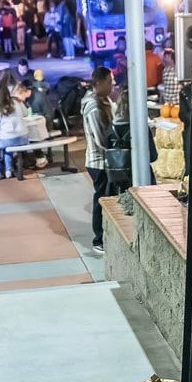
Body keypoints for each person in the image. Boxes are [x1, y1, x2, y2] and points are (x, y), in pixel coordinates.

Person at [81, 66, 115, 254]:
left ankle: (106, 237)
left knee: (108, 199)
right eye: (110, 82)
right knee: (101, 200)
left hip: (106, 160)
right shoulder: (93, 107)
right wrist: (114, 146)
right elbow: (100, 139)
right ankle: (99, 239)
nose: (112, 85)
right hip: (98, 162)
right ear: (99, 83)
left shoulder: (105, 101)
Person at [0, 81, 31, 180]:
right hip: (24, 137)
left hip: (10, 138)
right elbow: (25, 113)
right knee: (7, 144)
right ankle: (8, 170)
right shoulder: (16, 101)